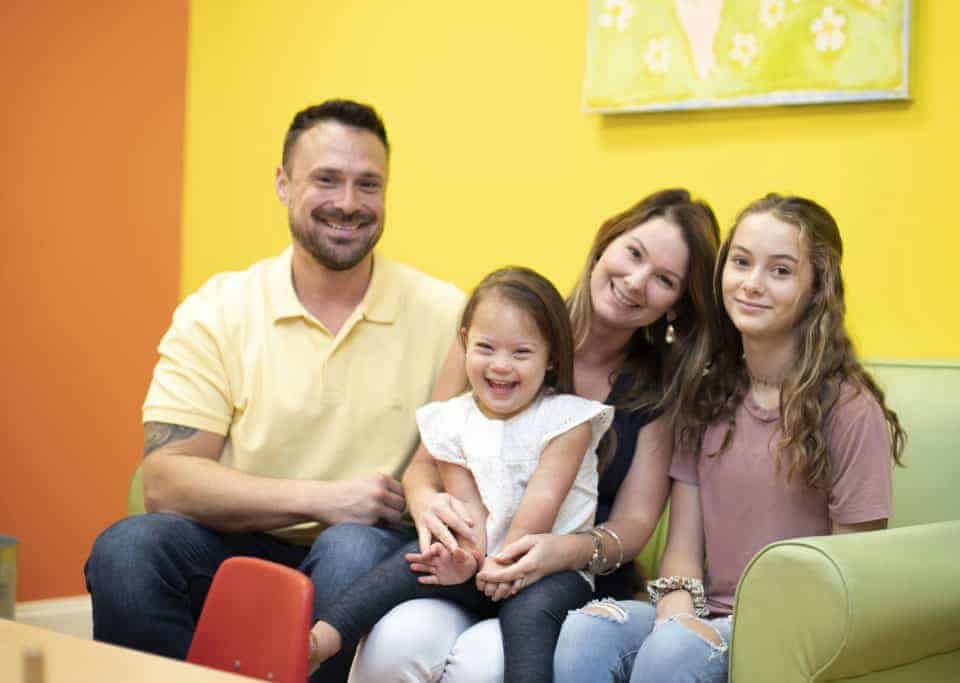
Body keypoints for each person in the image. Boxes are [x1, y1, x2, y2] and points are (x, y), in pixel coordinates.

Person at [83, 99, 465, 682]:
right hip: (232, 542)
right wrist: (326, 498)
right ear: (284, 185)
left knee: (352, 547)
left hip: (370, 551)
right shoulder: (218, 310)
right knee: (128, 550)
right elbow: (165, 481)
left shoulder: (445, 314)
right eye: (326, 180)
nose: (347, 203)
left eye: (368, 184)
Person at [348, 189, 723, 682]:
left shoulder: (657, 389)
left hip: (562, 584)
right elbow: (426, 461)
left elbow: (634, 522)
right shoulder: (498, 326)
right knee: (397, 642)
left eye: (663, 280)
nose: (635, 282)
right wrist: (423, 502)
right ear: (606, 242)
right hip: (464, 561)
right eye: (633, 253)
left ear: (675, 306)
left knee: (484, 664)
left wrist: (561, 551)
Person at [553, 194, 907, 682]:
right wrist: (677, 613)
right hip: (704, 616)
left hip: (791, 629)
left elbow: (849, 575)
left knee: (674, 653)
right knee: (588, 631)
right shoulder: (707, 395)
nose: (752, 284)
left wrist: (685, 637)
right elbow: (682, 548)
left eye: (780, 271)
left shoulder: (848, 410)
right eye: (741, 263)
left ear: (816, 289)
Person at [307, 266, 614, 682]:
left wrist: (501, 567)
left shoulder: (567, 421)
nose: (501, 366)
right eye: (486, 348)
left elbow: (540, 506)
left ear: (551, 358)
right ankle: (317, 643)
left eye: (521, 353)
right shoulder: (450, 421)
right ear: (466, 343)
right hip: (478, 565)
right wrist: (463, 560)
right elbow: (466, 506)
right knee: (408, 563)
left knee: (529, 617)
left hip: (544, 571)